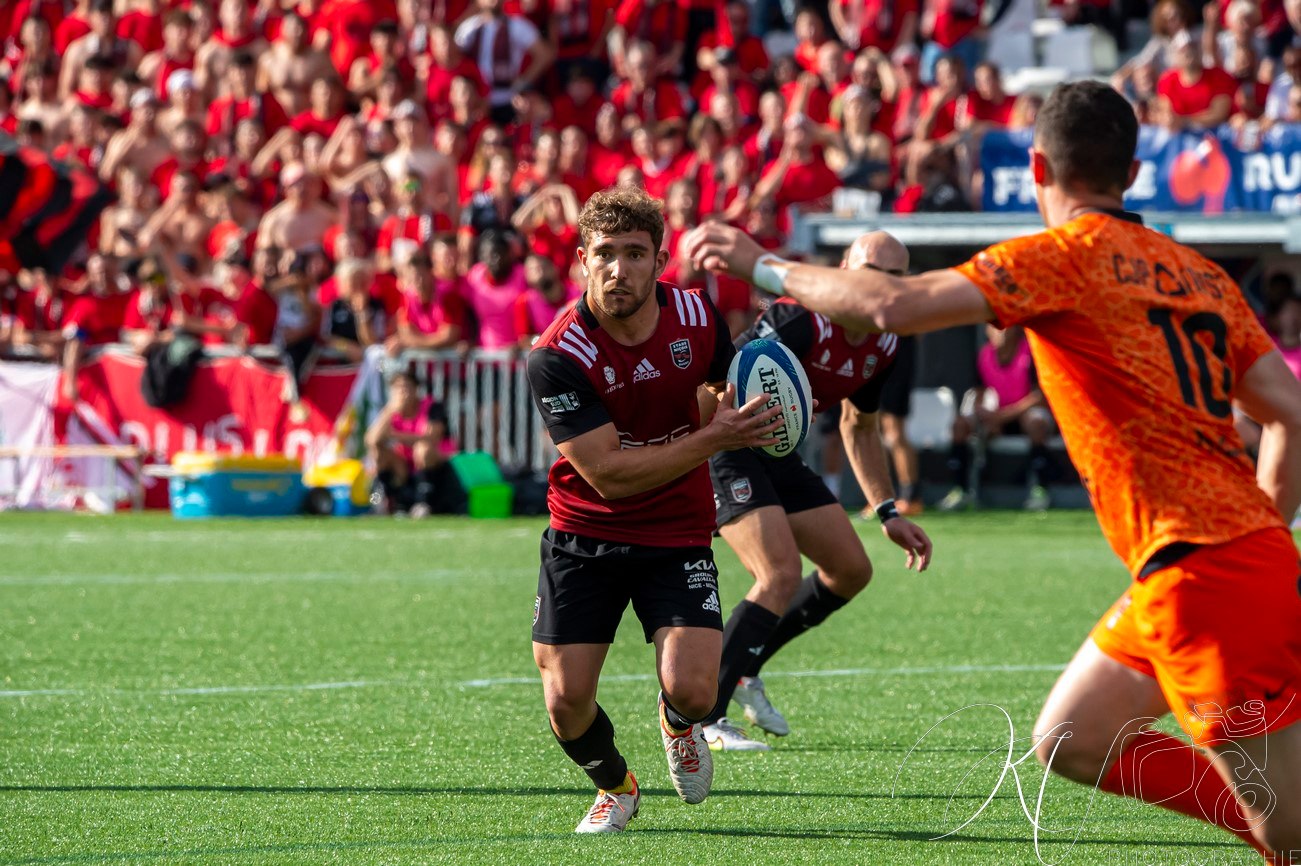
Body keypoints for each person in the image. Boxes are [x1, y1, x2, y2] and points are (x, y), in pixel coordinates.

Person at [682, 80, 1301, 860]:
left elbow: (890, 305)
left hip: (1204, 573)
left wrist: (759, 263)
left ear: (1036, 167)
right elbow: (1290, 414)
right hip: (1205, 564)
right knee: (1071, 736)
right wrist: (1262, 540)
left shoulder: (1057, 260)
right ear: (1134, 173)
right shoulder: (1199, 274)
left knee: (1289, 827)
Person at [525, 187, 784, 833]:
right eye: (604, 254)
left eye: (635, 254)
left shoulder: (696, 315)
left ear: (660, 261)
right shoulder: (558, 354)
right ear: (582, 260)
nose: (619, 269)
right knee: (566, 703)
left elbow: (723, 389)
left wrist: (747, 414)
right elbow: (608, 475)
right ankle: (617, 786)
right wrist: (713, 438)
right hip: (585, 532)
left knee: (695, 691)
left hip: (676, 529)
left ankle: (677, 724)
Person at [699, 231, 933, 751]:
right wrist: (684, 454)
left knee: (850, 570)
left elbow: (859, 426)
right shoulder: (798, 318)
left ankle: (745, 668)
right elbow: (721, 383)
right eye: (872, 271)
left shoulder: (886, 342)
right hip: (728, 445)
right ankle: (704, 718)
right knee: (778, 573)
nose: (882, 285)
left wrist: (888, 510)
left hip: (778, 452)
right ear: (844, 270)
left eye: (896, 277)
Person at [937, 323, 1056, 512]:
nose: (1000, 331)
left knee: (1036, 424)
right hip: (997, 416)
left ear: (1016, 330)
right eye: (994, 326)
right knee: (959, 425)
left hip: (1024, 413)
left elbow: (1039, 397)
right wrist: (984, 415)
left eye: (1004, 326)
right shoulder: (984, 355)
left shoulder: (1031, 352)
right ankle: (961, 490)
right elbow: (978, 393)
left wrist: (1003, 416)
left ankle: (1040, 490)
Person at [365, 370, 457, 518]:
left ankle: (424, 503)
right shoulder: (391, 412)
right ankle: (383, 501)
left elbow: (431, 438)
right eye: (397, 388)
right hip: (404, 465)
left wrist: (395, 436)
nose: (403, 392)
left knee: (422, 449)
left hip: (436, 461)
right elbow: (371, 441)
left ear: (416, 389)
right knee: (378, 451)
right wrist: (389, 410)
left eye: (406, 386)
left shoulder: (431, 407)